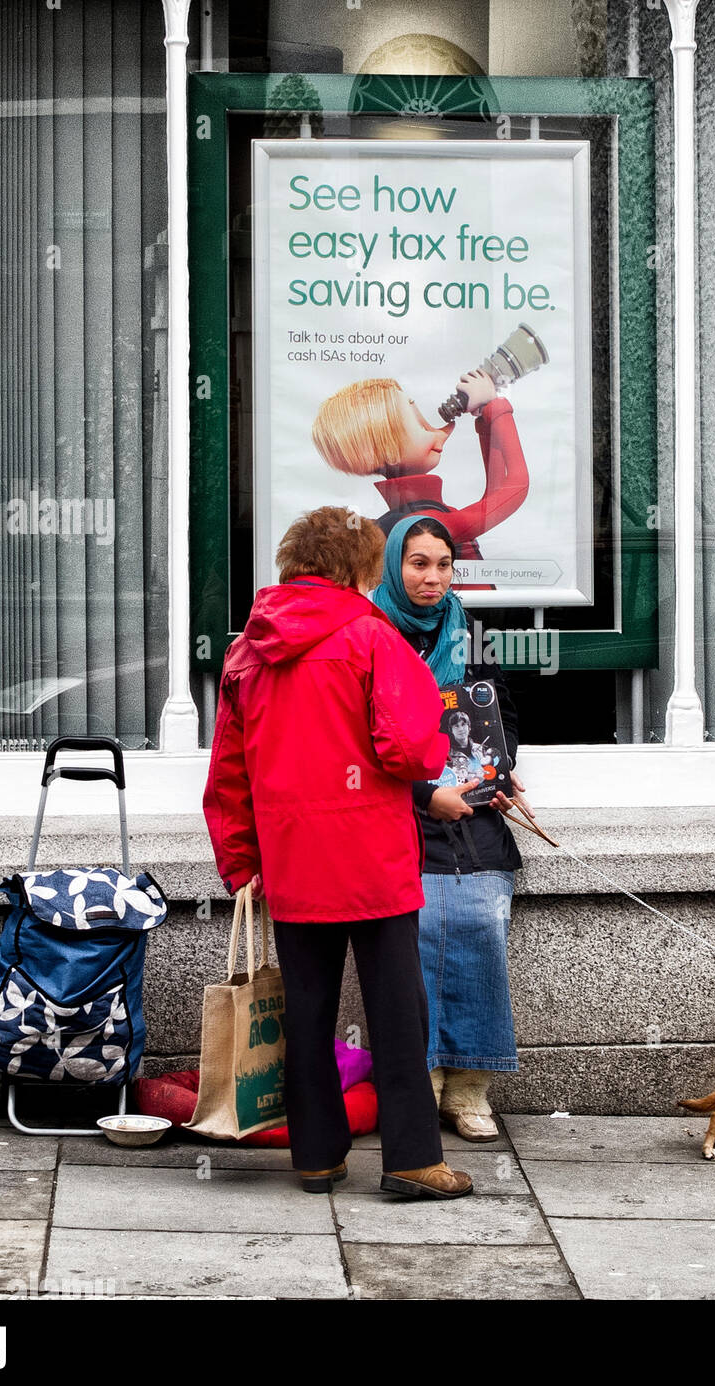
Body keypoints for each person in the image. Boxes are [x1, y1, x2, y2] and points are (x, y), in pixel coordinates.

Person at [202, 506, 473, 1199]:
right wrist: (436, 744)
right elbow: (407, 747)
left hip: (291, 864)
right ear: (358, 566)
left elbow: (228, 774)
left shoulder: (247, 650)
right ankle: (412, 1159)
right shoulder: (372, 637)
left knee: (308, 1013)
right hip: (372, 858)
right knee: (397, 1015)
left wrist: (241, 863)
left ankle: (316, 1157)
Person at [370, 513, 526, 1140]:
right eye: (417, 564)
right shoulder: (370, 633)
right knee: (419, 937)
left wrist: (499, 767)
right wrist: (424, 794)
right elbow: (359, 744)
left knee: (480, 930)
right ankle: (422, 1078)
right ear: (392, 566)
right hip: (399, 821)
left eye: (443, 564)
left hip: (475, 821)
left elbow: (503, 715)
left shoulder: (469, 634)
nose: (432, 578)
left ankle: (469, 1086)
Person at [310, 369, 528, 587]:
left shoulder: (411, 516)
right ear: (391, 452)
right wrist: (498, 408)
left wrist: (486, 419)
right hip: (465, 620)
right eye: (421, 425)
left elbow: (494, 495)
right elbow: (516, 487)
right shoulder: (422, 521)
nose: (440, 430)